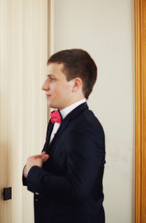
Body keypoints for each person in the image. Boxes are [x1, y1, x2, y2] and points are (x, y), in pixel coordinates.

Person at [23, 49, 105, 223]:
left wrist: (33, 172)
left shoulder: (86, 127)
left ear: (76, 85)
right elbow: (54, 168)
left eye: (52, 79)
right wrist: (28, 170)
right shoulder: (55, 120)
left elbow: (77, 190)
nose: (44, 86)